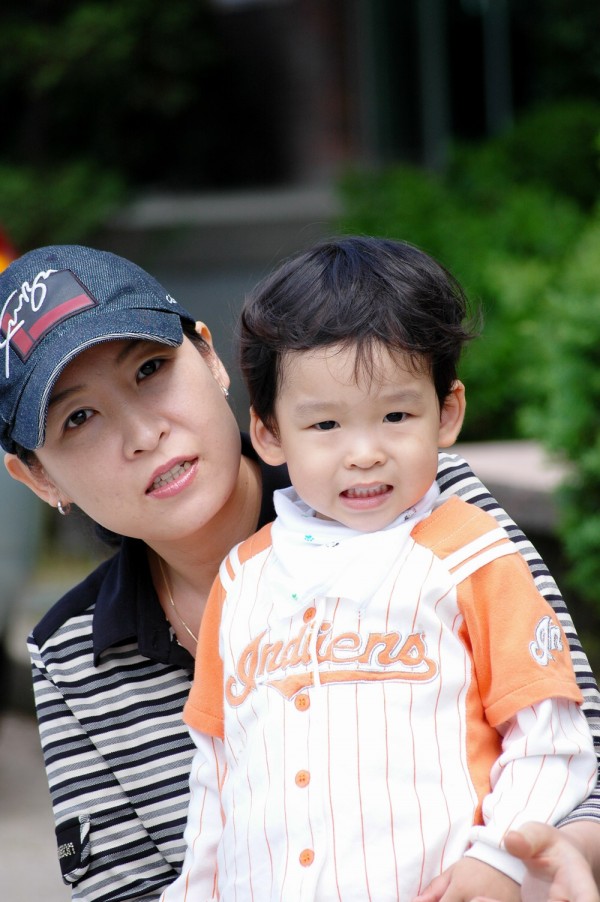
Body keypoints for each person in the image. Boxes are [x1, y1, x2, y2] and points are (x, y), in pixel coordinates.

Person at [0, 244, 597, 902]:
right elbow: (123, 889)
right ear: (38, 477)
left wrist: (538, 856)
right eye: (79, 417)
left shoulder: (426, 507)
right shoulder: (68, 654)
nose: (143, 433)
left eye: (149, 369)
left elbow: (577, 752)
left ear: (209, 358)